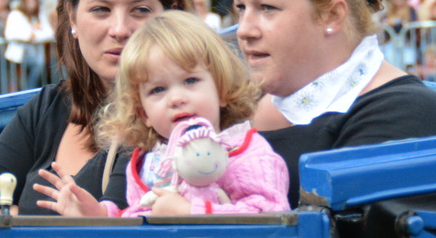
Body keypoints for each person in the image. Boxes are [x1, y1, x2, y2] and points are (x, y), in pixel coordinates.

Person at [225, 0, 436, 206]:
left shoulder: (407, 115)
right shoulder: (236, 101)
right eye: (241, 7)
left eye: (266, 8)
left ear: (332, 15)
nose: (244, 29)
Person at [0, 0, 187, 213]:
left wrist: (17, 222)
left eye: (140, 10)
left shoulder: (185, 123)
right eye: (101, 9)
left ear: (169, 17)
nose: (120, 29)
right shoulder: (46, 110)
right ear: (72, 16)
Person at [36, 11, 289, 218]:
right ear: (142, 112)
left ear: (221, 89)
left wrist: (192, 213)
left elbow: (271, 216)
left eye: (190, 80)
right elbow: (138, 215)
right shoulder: (150, 161)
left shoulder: (245, 152)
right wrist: (99, 216)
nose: (176, 98)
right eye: (158, 89)